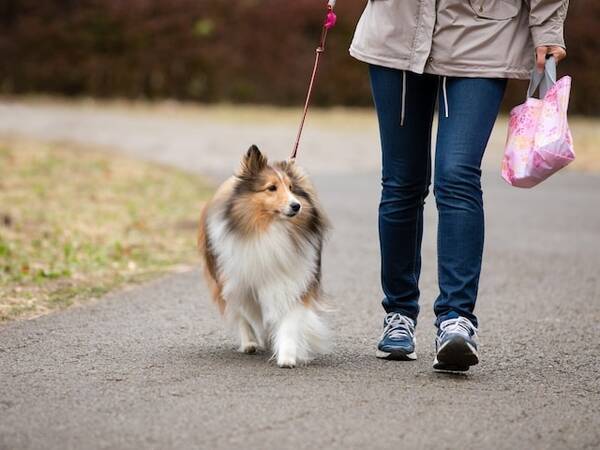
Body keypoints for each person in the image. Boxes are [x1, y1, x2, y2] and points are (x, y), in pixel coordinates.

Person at [349, 0, 568, 371]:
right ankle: (399, 314)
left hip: (482, 32)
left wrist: (547, 28)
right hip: (397, 29)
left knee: (457, 175)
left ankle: (456, 320)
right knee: (402, 181)